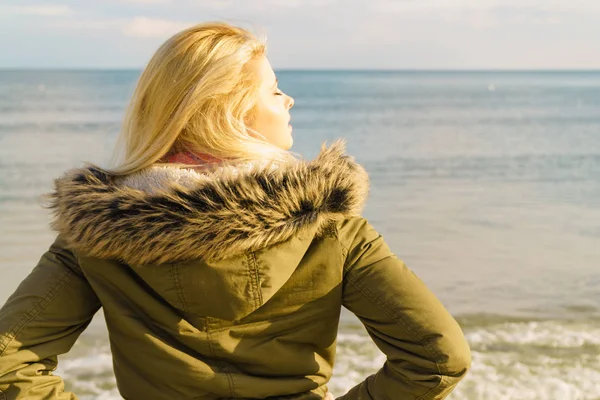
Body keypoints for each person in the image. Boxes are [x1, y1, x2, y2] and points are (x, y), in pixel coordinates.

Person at [0, 22, 471, 400]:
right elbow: (438, 357)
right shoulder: (333, 228)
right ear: (232, 110)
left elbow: (8, 363)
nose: (289, 100)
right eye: (274, 90)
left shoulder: (99, 232)